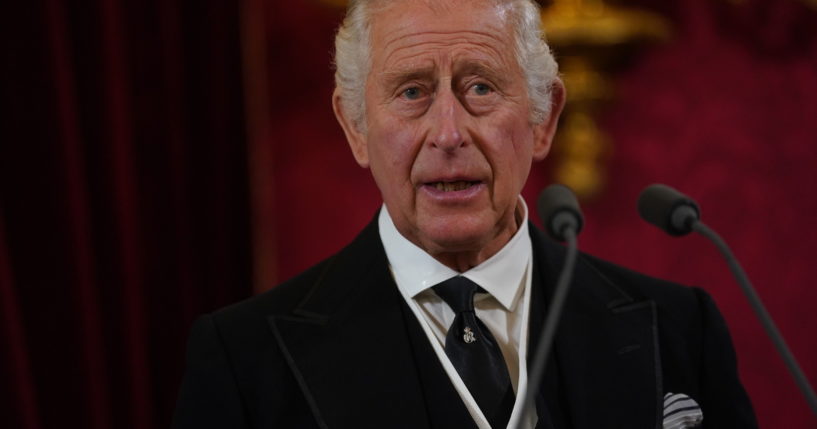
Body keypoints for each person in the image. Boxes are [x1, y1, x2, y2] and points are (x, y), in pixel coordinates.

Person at [172, 0, 758, 427]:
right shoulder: (244, 360)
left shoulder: (681, 330)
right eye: (411, 92)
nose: (448, 133)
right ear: (355, 125)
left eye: (480, 87)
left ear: (544, 118)